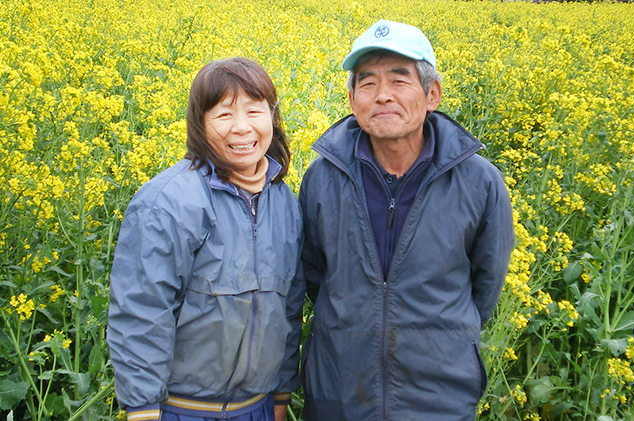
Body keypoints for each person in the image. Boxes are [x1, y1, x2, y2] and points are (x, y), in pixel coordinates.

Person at [299, 20, 515, 420]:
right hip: (339, 394)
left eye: (399, 81)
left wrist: (438, 336)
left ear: (432, 94)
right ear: (351, 100)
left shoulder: (480, 181)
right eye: (367, 83)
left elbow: (484, 288)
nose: (382, 96)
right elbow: (314, 275)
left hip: (439, 398)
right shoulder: (323, 177)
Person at [107, 57, 304, 421]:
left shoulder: (286, 203)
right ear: (200, 123)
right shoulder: (167, 201)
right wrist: (143, 408)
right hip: (180, 411)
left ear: (272, 118)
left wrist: (281, 396)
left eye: (254, 111)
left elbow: (289, 311)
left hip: (257, 408)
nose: (242, 128)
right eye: (224, 115)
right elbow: (142, 312)